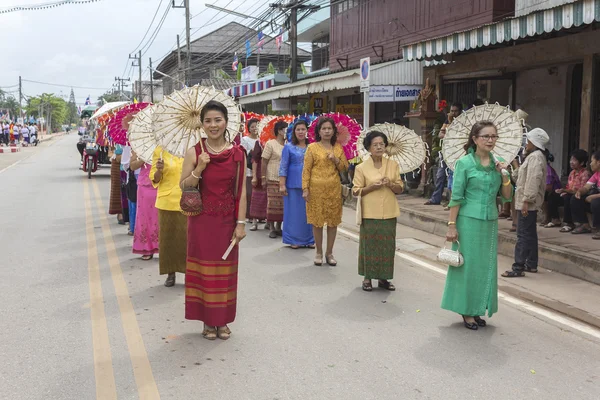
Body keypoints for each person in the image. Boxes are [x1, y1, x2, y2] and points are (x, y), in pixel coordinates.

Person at [180, 100, 246, 340]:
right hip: (201, 223)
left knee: (225, 273)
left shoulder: (238, 154)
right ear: (202, 124)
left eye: (217, 120)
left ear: (226, 122)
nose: (213, 125)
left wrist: (241, 224)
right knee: (205, 273)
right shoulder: (194, 152)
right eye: (208, 121)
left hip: (227, 223)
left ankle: (223, 321)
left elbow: (241, 192)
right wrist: (198, 169)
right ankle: (208, 322)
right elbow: (184, 186)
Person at [443, 121, 512, 330]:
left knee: (486, 267)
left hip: (490, 221)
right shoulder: (464, 163)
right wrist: (452, 226)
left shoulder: (498, 163)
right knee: (468, 267)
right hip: (468, 221)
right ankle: (467, 310)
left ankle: (479, 308)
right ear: (475, 139)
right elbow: (456, 197)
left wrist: (506, 175)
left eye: (494, 136)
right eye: (486, 136)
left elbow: (507, 198)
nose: (490, 140)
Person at [352, 131, 404, 292]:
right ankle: (367, 278)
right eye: (375, 144)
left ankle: (384, 278)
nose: (379, 147)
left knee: (387, 246)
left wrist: (390, 184)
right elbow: (356, 191)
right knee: (369, 246)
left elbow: (400, 188)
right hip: (369, 212)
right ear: (369, 147)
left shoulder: (393, 165)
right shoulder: (361, 167)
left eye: (382, 144)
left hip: (389, 211)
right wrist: (371, 187)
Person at [302, 116, 349, 266]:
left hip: (333, 189)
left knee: (332, 222)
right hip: (315, 190)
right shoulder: (312, 148)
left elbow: (344, 168)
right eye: (324, 128)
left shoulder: (338, 148)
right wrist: (305, 189)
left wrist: (336, 159)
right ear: (319, 131)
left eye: (329, 128)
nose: (327, 131)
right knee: (317, 222)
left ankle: (329, 253)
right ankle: (318, 252)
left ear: (334, 131)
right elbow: (306, 170)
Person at [503, 128, 549, 278]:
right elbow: (521, 178)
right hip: (527, 201)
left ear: (534, 142)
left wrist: (526, 201)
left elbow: (533, 181)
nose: (526, 144)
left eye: (528, 141)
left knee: (522, 234)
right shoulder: (533, 157)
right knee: (529, 233)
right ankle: (531, 264)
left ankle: (518, 267)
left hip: (527, 202)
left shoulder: (535, 157)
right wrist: (514, 164)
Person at [150, 145, 187, 287]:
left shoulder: (191, 148)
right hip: (166, 202)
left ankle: (189, 273)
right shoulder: (160, 151)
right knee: (168, 240)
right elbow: (155, 179)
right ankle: (170, 273)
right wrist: (159, 170)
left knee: (187, 240)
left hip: (188, 200)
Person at [279, 120, 315, 249]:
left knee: (308, 213)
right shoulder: (288, 147)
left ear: (307, 131)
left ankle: (310, 239)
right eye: (298, 129)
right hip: (292, 184)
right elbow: (283, 166)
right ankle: (293, 239)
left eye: (303, 129)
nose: (300, 132)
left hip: (310, 183)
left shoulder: (312, 147)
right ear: (294, 132)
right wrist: (282, 184)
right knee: (293, 213)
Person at [425, 102, 463, 206]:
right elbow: (440, 135)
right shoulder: (447, 121)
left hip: (457, 154)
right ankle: (435, 199)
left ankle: (451, 201)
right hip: (445, 152)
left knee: (453, 177)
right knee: (440, 176)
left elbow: (458, 135)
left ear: (460, 112)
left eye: (455, 111)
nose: (453, 113)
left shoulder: (463, 122)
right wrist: (449, 125)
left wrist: (449, 130)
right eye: (452, 111)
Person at [549, 150, 591, 232]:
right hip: (569, 193)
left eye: (574, 160)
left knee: (568, 198)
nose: (571, 162)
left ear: (582, 163)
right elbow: (568, 186)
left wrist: (565, 191)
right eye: (571, 160)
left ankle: (569, 223)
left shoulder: (585, 174)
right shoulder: (572, 173)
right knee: (553, 195)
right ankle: (555, 219)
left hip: (579, 196)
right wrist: (563, 191)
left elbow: (582, 190)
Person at [130, 152, 159, 260]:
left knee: (162, 219)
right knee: (145, 219)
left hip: (163, 185)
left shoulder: (168, 145)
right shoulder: (142, 146)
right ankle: (146, 249)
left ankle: (165, 248)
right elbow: (132, 166)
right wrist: (143, 159)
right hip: (145, 187)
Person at [262, 120, 287, 238]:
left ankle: (278, 226)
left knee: (282, 204)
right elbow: (264, 161)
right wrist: (263, 177)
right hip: (272, 177)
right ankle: (271, 227)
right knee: (272, 203)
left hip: (285, 178)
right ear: (279, 131)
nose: (286, 131)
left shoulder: (288, 145)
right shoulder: (270, 144)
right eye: (284, 129)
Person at [571, 150, 600, 239]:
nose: (590, 164)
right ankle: (585, 225)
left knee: (596, 202)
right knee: (575, 198)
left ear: (598, 162)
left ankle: (598, 228)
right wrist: (579, 191)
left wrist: (594, 196)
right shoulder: (596, 174)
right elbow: (586, 187)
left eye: (592, 161)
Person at [240, 118, 259, 221]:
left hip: (259, 169)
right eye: (252, 127)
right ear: (249, 128)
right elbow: (242, 152)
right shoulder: (245, 140)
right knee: (249, 192)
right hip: (249, 168)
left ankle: (259, 215)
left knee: (259, 193)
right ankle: (249, 215)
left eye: (256, 126)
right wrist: (250, 151)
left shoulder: (262, 139)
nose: (254, 128)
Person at [249, 139, 268, 231]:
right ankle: (254, 222)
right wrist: (254, 176)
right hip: (259, 172)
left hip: (270, 173)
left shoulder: (278, 141)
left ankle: (268, 222)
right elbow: (255, 160)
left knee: (268, 199)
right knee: (256, 197)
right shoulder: (259, 142)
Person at [540, 153, 562, 227]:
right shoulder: (541, 168)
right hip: (549, 191)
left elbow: (548, 187)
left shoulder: (547, 170)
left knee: (544, 194)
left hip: (554, 191)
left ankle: (547, 216)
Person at [109, 146, 125, 224]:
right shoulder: (121, 138)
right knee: (118, 188)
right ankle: (120, 212)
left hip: (133, 165)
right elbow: (118, 158)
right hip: (119, 165)